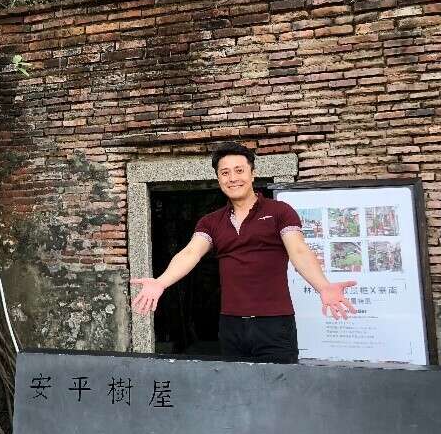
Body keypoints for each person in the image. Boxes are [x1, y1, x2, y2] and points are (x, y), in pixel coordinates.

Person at [130, 142, 357, 363]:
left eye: (239, 170)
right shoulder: (211, 222)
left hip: (275, 324)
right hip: (231, 326)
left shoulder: (280, 212)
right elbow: (191, 253)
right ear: (218, 178)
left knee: (279, 393)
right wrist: (161, 283)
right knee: (238, 394)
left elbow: (298, 250)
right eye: (225, 173)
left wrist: (323, 286)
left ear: (252, 174)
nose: (233, 178)